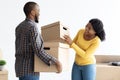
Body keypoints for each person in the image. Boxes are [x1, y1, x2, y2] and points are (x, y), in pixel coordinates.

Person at [15, 2, 62, 80]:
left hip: (20, 69)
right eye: (38, 11)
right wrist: (56, 62)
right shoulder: (32, 27)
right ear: (33, 12)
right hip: (30, 71)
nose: (39, 14)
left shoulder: (19, 27)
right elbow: (38, 50)